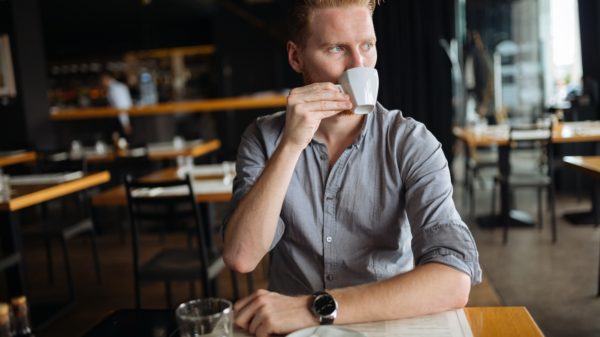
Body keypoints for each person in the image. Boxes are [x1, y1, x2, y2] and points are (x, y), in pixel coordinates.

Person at [223, 1, 481, 336]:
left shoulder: (411, 143)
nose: (360, 66)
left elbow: (454, 280)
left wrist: (313, 307)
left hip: (381, 326)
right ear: (296, 57)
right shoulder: (264, 138)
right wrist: (290, 145)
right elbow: (241, 256)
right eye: (336, 49)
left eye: (367, 46)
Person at [100, 71, 133, 136]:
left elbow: (121, 106)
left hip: (123, 119)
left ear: (106, 78)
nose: (101, 82)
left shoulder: (115, 89)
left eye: (101, 80)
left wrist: (125, 123)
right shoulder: (116, 87)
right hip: (124, 118)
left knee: (123, 141)